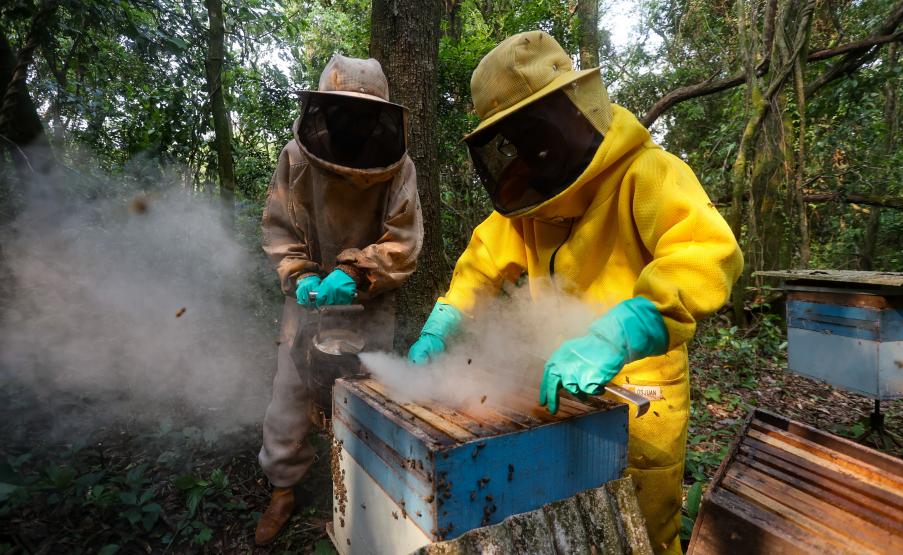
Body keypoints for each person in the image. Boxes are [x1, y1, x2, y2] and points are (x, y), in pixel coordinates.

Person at [407, 32, 742, 555]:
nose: (531, 149)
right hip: (557, 385)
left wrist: (628, 327)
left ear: (572, 111)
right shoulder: (526, 203)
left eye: (537, 128)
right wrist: (445, 321)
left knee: (642, 531)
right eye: (515, 137)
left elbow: (706, 253)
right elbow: (480, 265)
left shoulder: (648, 173)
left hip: (641, 393)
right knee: (568, 528)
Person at [257, 54, 423, 546]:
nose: (352, 121)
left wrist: (356, 271)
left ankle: (364, 496)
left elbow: (404, 242)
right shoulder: (296, 157)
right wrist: (300, 275)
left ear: (381, 117)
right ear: (323, 110)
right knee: (289, 395)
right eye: (342, 110)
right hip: (308, 300)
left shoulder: (400, 167)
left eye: (363, 113)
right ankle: (283, 489)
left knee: (367, 397)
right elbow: (279, 229)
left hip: (370, 301)